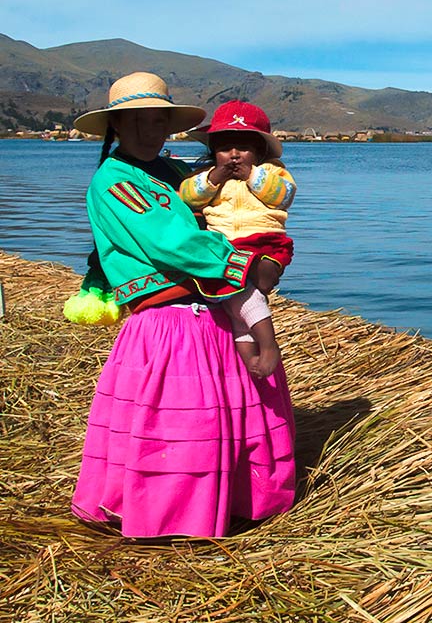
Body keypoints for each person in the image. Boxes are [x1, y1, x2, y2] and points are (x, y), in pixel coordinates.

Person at [70, 72, 295, 539]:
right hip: (170, 324)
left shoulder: (174, 173)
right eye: (139, 123)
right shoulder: (115, 181)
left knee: (232, 412)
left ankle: (236, 502)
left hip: (211, 311)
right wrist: (247, 263)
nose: (152, 132)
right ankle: (173, 518)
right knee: (180, 426)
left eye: (160, 122)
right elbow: (171, 242)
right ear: (116, 127)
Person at [180, 100, 297, 378]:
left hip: (265, 242)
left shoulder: (271, 171)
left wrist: (253, 176)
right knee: (234, 304)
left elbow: (284, 196)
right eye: (224, 149)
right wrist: (212, 179)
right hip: (224, 246)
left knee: (246, 292)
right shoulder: (205, 177)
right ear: (213, 151)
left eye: (243, 148)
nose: (234, 156)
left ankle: (268, 346)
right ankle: (251, 361)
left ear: (258, 150)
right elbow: (186, 195)